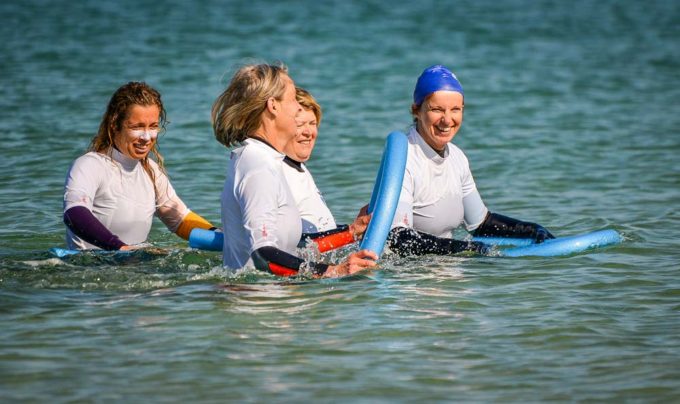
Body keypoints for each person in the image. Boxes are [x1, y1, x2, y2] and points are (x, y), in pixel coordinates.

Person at [212, 63, 377, 278]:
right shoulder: (257, 164)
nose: (298, 108)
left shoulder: (267, 160)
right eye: (291, 100)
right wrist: (332, 271)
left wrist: (351, 232)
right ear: (273, 106)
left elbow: (292, 248)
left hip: (277, 302)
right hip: (256, 304)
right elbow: (263, 255)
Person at [387, 65, 554, 256]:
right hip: (407, 280)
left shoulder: (457, 157)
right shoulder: (403, 160)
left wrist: (532, 231)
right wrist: (464, 248)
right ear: (416, 110)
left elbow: (481, 224)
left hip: (447, 278)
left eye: (455, 109)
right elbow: (398, 239)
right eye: (437, 109)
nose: (447, 120)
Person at [62, 82, 216, 251]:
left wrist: (220, 236)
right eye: (137, 127)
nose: (146, 137)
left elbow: (181, 219)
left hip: (136, 266)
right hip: (93, 267)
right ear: (114, 124)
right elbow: (74, 213)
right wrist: (120, 248)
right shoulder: (90, 165)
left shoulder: (151, 170)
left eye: (153, 126)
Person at [281, 87, 370, 253]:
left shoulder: (297, 168)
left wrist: (355, 227)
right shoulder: (279, 173)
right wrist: (351, 233)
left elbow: (314, 230)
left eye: (313, 123)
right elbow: (287, 243)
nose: (308, 132)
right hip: (302, 275)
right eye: (300, 125)